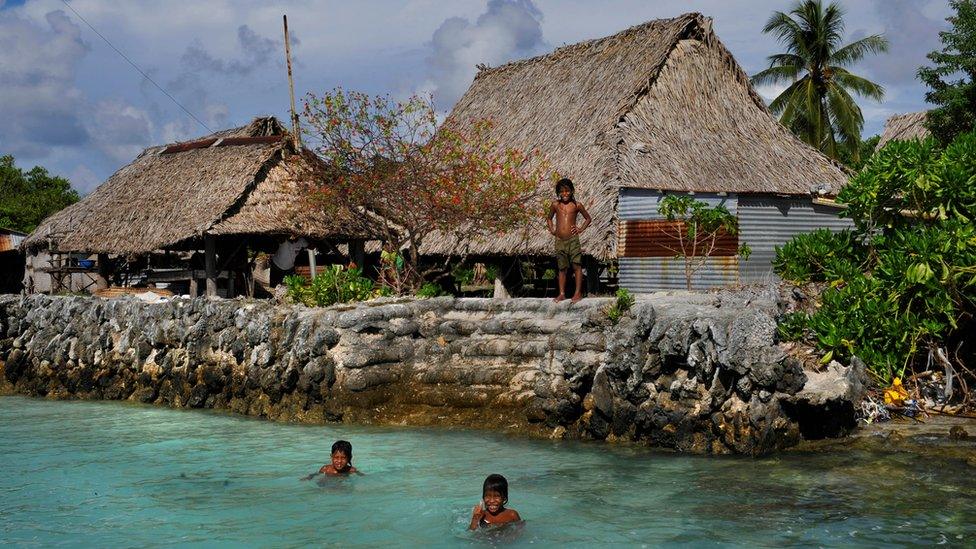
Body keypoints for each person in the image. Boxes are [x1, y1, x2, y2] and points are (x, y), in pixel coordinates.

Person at [546, 178, 591, 303]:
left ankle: (577, 293)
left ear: (572, 191)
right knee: (562, 268)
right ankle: (561, 294)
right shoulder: (555, 205)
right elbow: (549, 218)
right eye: (562, 191)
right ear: (558, 192)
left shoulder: (577, 205)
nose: (565, 194)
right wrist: (552, 230)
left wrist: (580, 229)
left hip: (573, 239)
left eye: (567, 191)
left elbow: (588, 218)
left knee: (576, 265)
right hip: (559, 240)